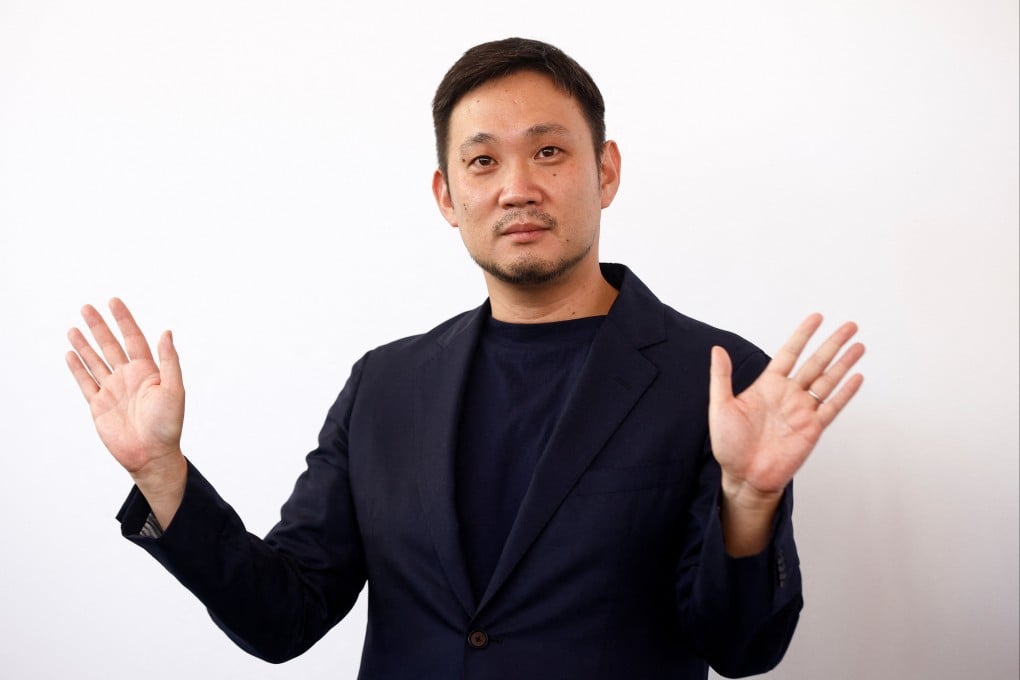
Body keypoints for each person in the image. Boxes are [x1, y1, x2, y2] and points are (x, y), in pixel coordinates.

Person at [65, 37, 864, 679]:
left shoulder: (718, 378)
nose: (518, 186)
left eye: (549, 152)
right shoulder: (385, 385)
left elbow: (741, 649)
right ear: (448, 196)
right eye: (483, 161)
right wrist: (162, 474)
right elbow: (285, 618)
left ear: (605, 171)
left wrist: (750, 498)